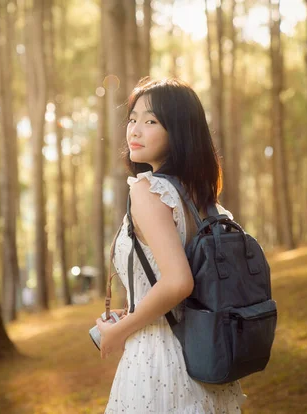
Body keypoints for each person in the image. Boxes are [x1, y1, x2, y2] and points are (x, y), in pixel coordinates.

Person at [95, 77, 246, 413]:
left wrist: (118, 333)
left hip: (158, 360)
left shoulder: (147, 190)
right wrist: (132, 309)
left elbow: (179, 281)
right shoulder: (198, 195)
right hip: (205, 357)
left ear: (179, 130)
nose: (134, 130)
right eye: (132, 119)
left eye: (151, 121)